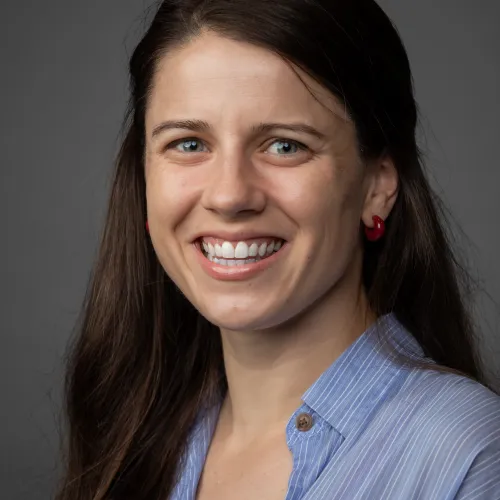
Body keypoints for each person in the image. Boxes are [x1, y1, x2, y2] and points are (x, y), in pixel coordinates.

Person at [55, 1, 500, 499]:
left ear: (376, 186)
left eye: (285, 145)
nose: (228, 195)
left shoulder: (467, 456)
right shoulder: (135, 436)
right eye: (188, 143)